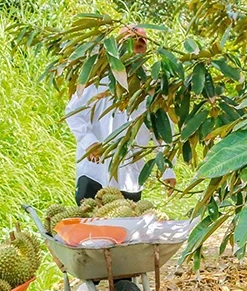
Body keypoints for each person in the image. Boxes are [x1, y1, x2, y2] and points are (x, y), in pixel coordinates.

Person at [66, 26, 175, 204]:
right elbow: (73, 112)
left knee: (126, 221)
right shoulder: (98, 80)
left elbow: (163, 130)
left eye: (140, 45)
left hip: (130, 176)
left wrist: (167, 169)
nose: (135, 49)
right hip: (95, 172)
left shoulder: (152, 86)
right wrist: (89, 142)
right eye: (129, 43)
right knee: (89, 218)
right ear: (116, 48)